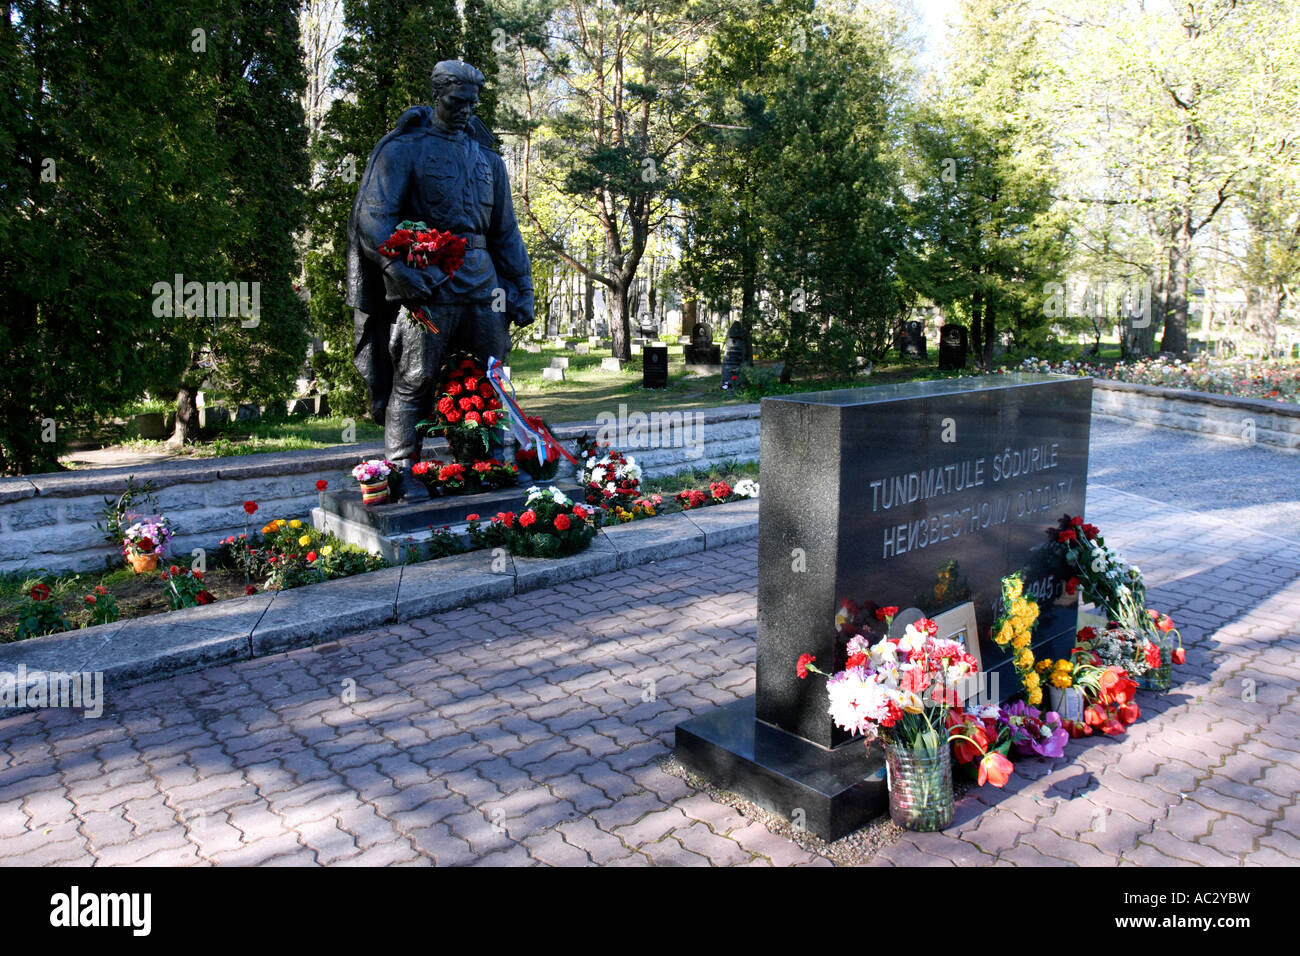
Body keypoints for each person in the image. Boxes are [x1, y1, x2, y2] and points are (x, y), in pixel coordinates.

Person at [348, 60, 534, 497]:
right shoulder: (403, 151)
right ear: (438, 96)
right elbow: (373, 218)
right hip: (427, 287)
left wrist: (522, 288)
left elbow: (506, 231)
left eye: (473, 102)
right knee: (415, 376)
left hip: (484, 285)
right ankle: (401, 471)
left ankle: (487, 461)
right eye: (457, 101)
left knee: (492, 374)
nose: (467, 110)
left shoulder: (490, 161)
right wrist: (398, 269)